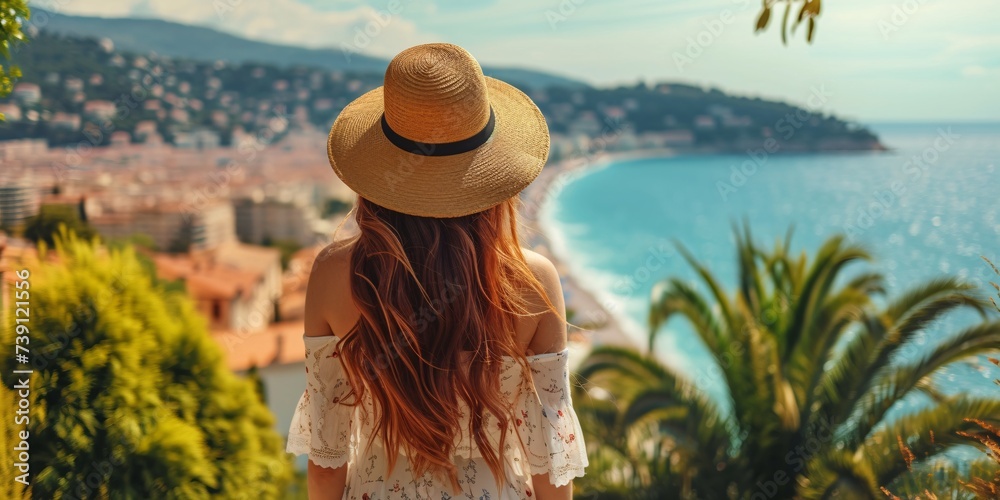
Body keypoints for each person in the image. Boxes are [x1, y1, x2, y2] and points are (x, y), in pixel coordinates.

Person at [286, 43, 588, 499]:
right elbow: (551, 464)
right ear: (492, 172)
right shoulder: (532, 281)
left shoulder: (333, 274)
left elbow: (327, 462)